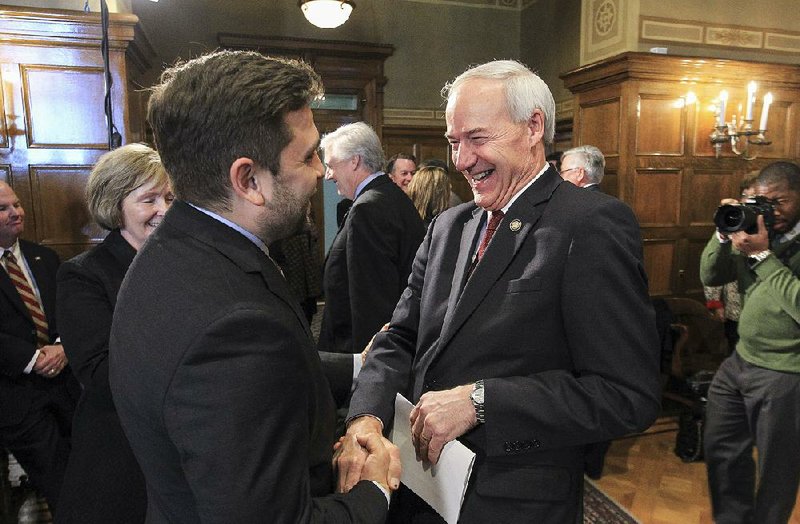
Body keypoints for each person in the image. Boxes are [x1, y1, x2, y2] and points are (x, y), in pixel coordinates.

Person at [337, 60, 661, 523]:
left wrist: (482, 402)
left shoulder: (589, 225)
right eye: (454, 142)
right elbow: (400, 337)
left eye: (477, 138)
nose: (461, 160)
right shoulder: (448, 226)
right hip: (417, 489)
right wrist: (364, 417)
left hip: (513, 504)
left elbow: (626, 394)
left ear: (533, 127)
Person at [108, 50, 398, 523]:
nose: (320, 173)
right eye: (306, 157)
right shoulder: (235, 327)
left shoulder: (173, 249)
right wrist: (373, 489)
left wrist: (357, 365)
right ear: (248, 180)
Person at [55, 144, 173, 523]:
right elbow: (100, 374)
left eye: (170, 197)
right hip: (120, 459)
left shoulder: (186, 265)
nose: (164, 210)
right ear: (115, 205)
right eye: (149, 199)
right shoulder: (84, 276)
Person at [701, 161, 800, 524]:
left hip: (786, 372)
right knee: (723, 454)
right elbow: (711, 274)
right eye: (762, 201)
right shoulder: (758, 230)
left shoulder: (771, 246)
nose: (771, 210)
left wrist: (762, 256)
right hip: (739, 360)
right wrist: (723, 235)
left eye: (781, 201)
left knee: (778, 467)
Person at [0, 181, 79, 515]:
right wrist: (33, 359)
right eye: (3, 208)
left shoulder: (44, 257)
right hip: (16, 394)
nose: (16, 213)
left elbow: (70, 310)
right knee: (60, 482)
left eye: (16, 205)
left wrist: (61, 347)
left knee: (90, 466)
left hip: (65, 385)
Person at [319, 123, 425, 356]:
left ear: (354, 161)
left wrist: (366, 372)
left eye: (331, 165)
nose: (328, 175)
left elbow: (371, 305)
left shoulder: (369, 208)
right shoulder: (387, 197)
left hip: (360, 357)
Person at [703, 172, 758, 355]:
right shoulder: (736, 222)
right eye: (746, 196)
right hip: (735, 309)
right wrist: (714, 302)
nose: (750, 202)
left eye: (756, 198)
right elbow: (713, 267)